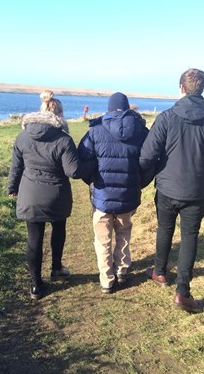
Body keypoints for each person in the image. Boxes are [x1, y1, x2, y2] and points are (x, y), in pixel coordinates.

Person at [139, 68, 204, 313]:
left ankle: (160, 272)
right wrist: (201, 174)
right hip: (195, 190)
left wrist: (150, 175)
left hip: (168, 187)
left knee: (165, 228)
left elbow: (147, 155)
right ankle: (181, 291)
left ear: (181, 88)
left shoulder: (167, 118)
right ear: (200, 89)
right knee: (190, 237)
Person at [8, 108, 93, 300]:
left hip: (30, 194)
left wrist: (12, 187)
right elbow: (74, 171)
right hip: (56, 195)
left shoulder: (22, 137)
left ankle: (35, 284)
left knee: (34, 238)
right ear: (56, 121)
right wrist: (93, 165)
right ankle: (56, 268)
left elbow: (16, 166)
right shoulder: (63, 139)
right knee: (58, 228)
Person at [78, 92, 149, 294]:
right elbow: (150, 161)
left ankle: (107, 280)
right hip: (129, 196)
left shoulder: (95, 131)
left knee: (102, 240)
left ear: (109, 108)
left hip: (102, 197)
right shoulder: (142, 131)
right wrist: (139, 183)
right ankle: (122, 271)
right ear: (127, 108)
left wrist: (92, 180)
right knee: (124, 234)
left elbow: (80, 160)